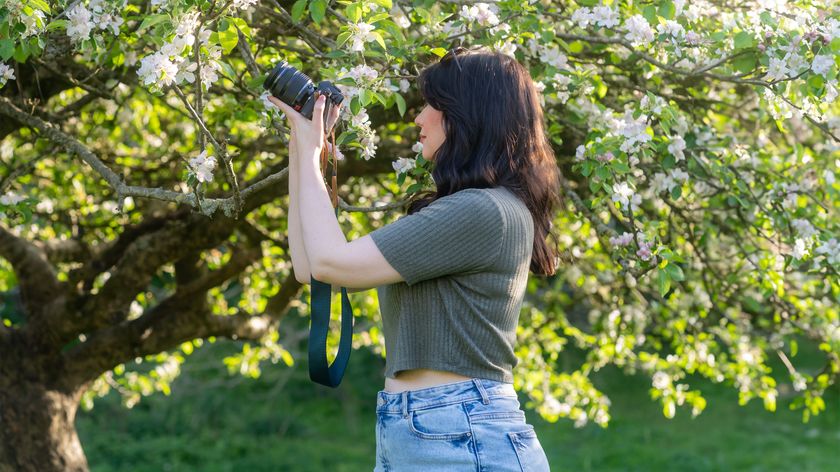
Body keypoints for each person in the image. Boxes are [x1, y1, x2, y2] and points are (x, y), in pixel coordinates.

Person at [269, 46, 561, 471]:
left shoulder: (484, 211)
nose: (418, 117)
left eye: (433, 105)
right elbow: (310, 266)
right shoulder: (472, 208)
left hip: (459, 431)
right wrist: (302, 143)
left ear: (468, 115)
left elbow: (332, 264)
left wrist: (315, 157)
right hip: (425, 429)